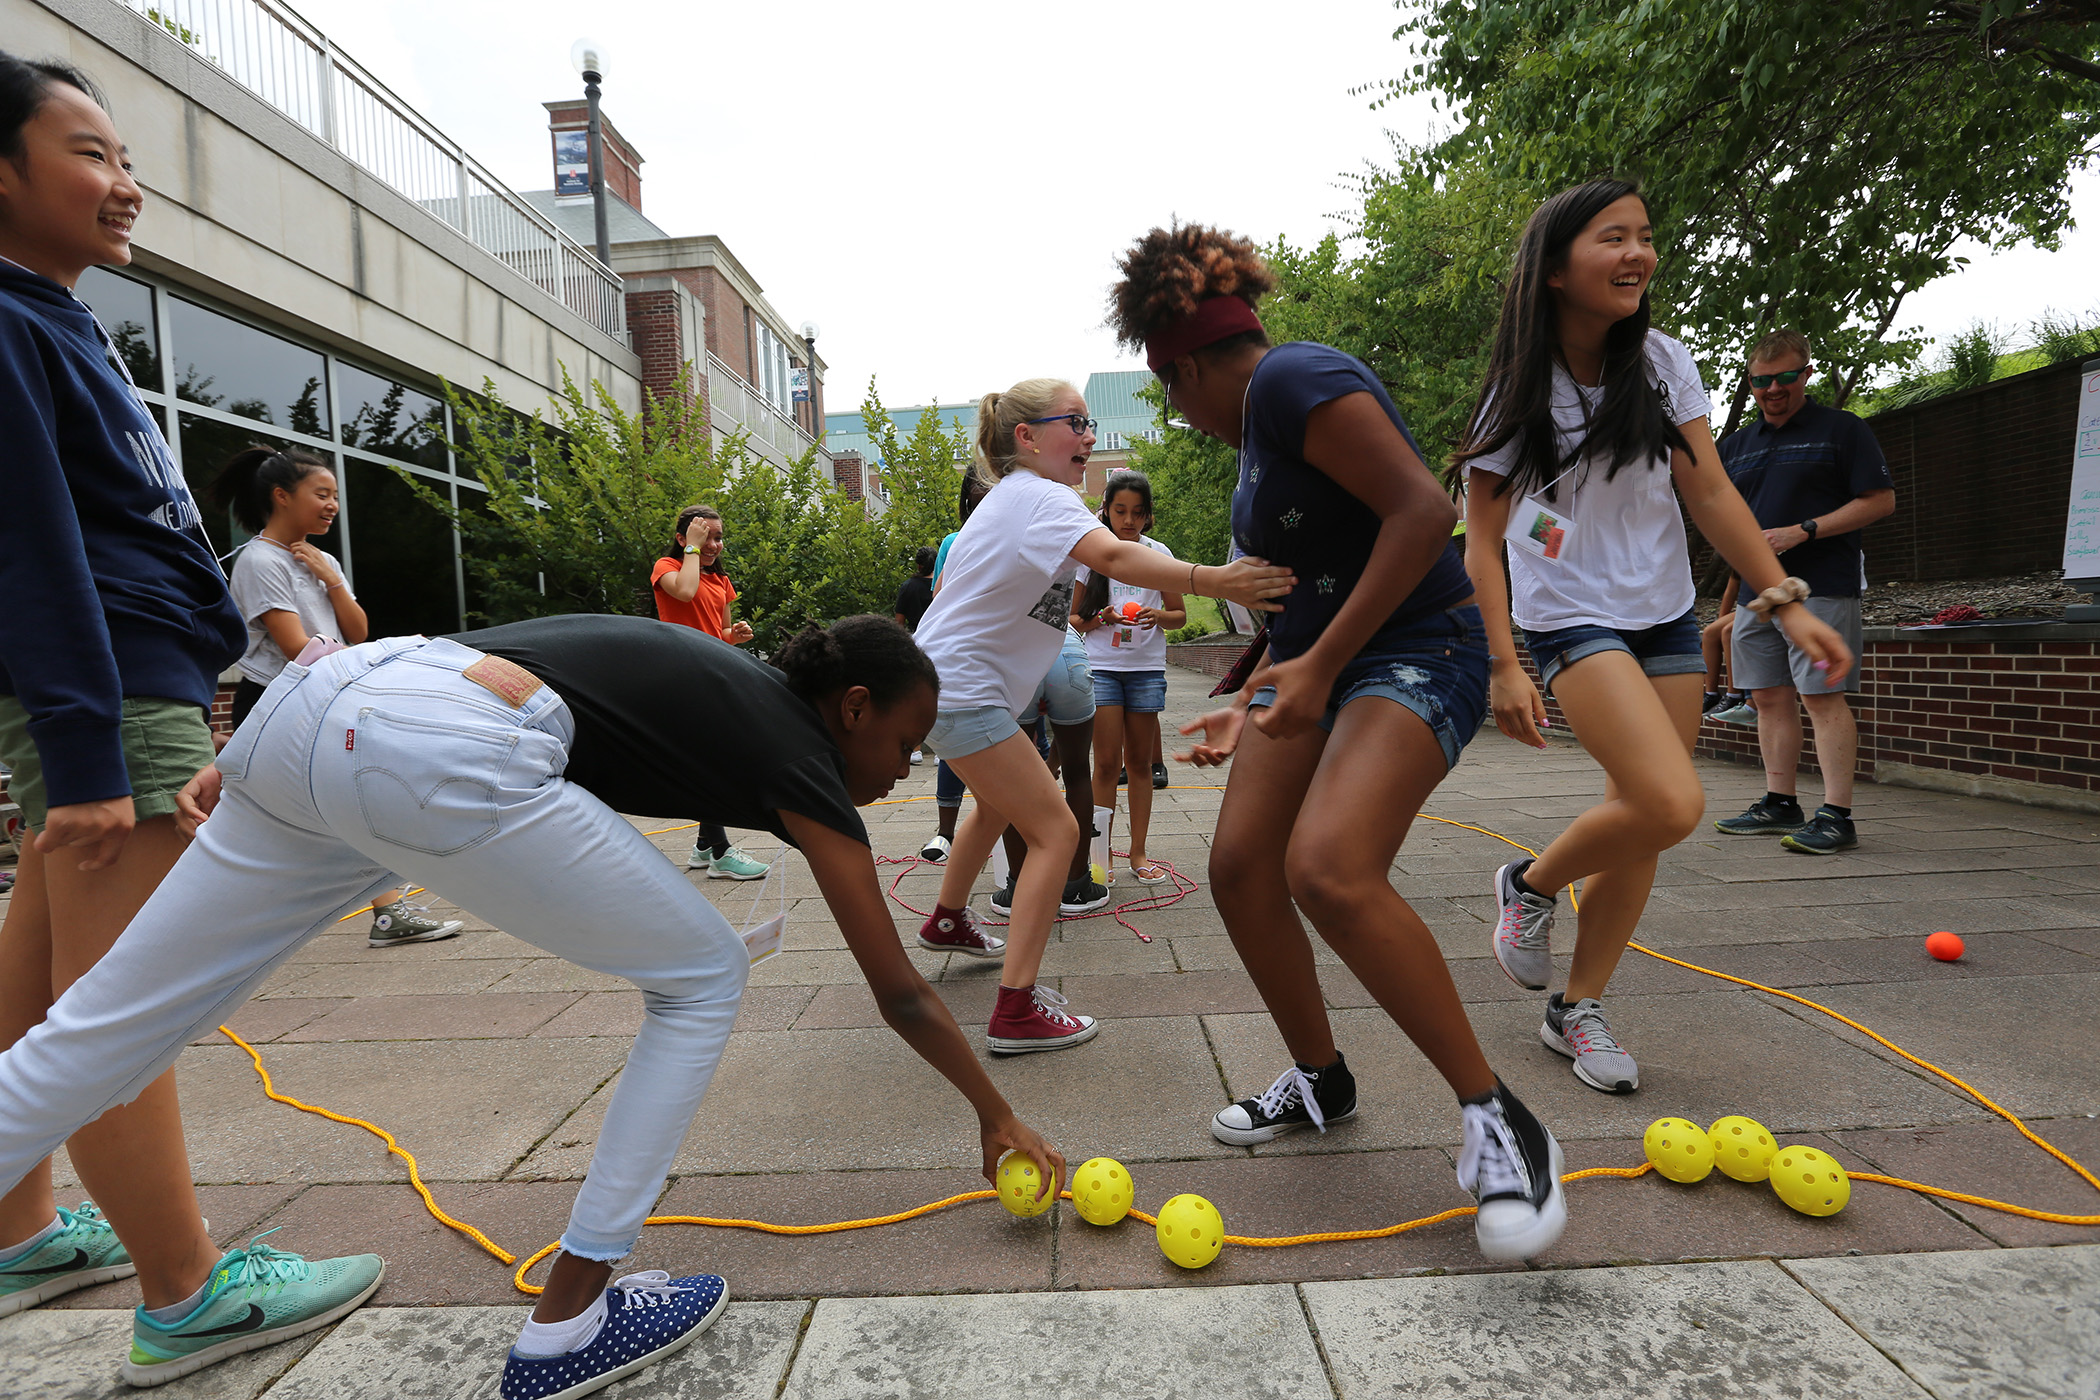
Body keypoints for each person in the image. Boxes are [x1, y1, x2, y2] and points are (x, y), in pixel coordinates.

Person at [0, 614, 1066, 1400]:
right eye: (907, 742)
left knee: (97, 1034)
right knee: (702, 973)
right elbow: (898, 988)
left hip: (319, 712)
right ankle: (570, 1325)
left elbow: (427, 671)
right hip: (433, 741)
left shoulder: (728, 685)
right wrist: (994, 1110)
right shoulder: (800, 751)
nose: (904, 767)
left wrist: (247, 761)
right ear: (853, 709)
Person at [0, 52, 375, 1381]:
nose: (125, 185)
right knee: (120, 1005)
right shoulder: (8, 321)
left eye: (129, 159)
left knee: (41, 986)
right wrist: (92, 747)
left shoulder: (42, 317)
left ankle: (19, 1227)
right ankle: (184, 1288)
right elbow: (29, 547)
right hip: (112, 691)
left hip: (118, 687)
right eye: (91, 154)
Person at [1115, 222, 1567, 1261]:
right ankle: (1322, 1078)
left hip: (1422, 643)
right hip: (1323, 664)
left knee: (1329, 865)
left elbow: (1421, 511)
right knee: (1238, 865)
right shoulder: (1258, 452)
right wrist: (1255, 683)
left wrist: (1314, 671)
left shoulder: (1290, 380)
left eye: (1174, 396)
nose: (1183, 418)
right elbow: (1307, 598)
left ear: (1184, 365)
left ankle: (1501, 1120)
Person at [1455, 180, 1853, 1098]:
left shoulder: (1664, 361)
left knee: (1641, 822)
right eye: (1612, 238)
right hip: (1570, 616)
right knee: (1672, 801)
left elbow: (1710, 490)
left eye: (1644, 237)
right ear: (1556, 269)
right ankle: (1530, 883)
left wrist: (1783, 600)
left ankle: (1576, 1008)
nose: (1637, 254)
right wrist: (1503, 662)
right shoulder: (1518, 389)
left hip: (1666, 610)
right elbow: (1480, 539)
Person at [912, 376, 1293, 1054]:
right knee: (1059, 831)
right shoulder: (1042, 495)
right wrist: (1216, 579)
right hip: (965, 692)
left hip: (949, 688)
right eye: (1075, 423)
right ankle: (1017, 1009)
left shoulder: (1009, 502)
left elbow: (971, 597)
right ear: (1026, 438)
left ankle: (946, 920)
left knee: (999, 806)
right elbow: (1115, 557)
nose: (1089, 437)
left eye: (1089, 424)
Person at [213, 445, 462, 948]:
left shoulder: (321, 558)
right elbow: (294, 647)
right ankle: (211, 920)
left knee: (344, 802)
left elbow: (357, 630)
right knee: (279, 813)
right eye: (320, 494)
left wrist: (331, 582)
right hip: (277, 700)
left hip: (320, 695)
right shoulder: (260, 559)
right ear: (282, 496)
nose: (332, 505)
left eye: (335, 496)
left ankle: (387, 912)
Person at [1712, 330, 1895, 854]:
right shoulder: (1736, 447)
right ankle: (1779, 801)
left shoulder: (1843, 430)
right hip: (1756, 591)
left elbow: (1880, 501)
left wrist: (1805, 530)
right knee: (1768, 697)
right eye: (1762, 380)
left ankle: (1837, 815)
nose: (1774, 388)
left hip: (1824, 587)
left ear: (1806, 375)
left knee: (1821, 696)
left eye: (1786, 377)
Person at [1072, 470, 1183, 885]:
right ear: (1107, 510)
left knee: (1139, 763)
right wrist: (1100, 617)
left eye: (1138, 512)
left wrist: (1159, 616)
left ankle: (1138, 852)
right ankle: (1102, 857)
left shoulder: (1158, 554)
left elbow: (1179, 616)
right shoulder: (1094, 556)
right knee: (1104, 764)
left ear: (1148, 515)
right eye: (1121, 511)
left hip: (1146, 670)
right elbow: (1072, 620)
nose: (1129, 520)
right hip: (1102, 668)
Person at [651, 504, 770, 880]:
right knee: (713, 760)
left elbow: (719, 633)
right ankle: (719, 851)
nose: (714, 545)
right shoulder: (666, 568)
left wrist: (734, 636)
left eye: (718, 538)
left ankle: (705, 846)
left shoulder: (721, 581)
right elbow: (684, 594)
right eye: (706, 537)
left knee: (714, 757)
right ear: (682, 539)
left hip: (713, 672)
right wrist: (693, 549)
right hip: (683, 674)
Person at [1701, 572, 1756, 724]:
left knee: (1729, 632)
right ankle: (1711, 694)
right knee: (1710, 633)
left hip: (1767, 604)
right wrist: (1720, 620)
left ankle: (1734, 695)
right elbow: (1732, 589)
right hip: (1748, 605)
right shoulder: (1741, 557)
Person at [893, 546, 937, 632]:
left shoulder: (908, 586)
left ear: (919, 565)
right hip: (938, 636)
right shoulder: (942, 585)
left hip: (915, 636)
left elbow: (899, 621)